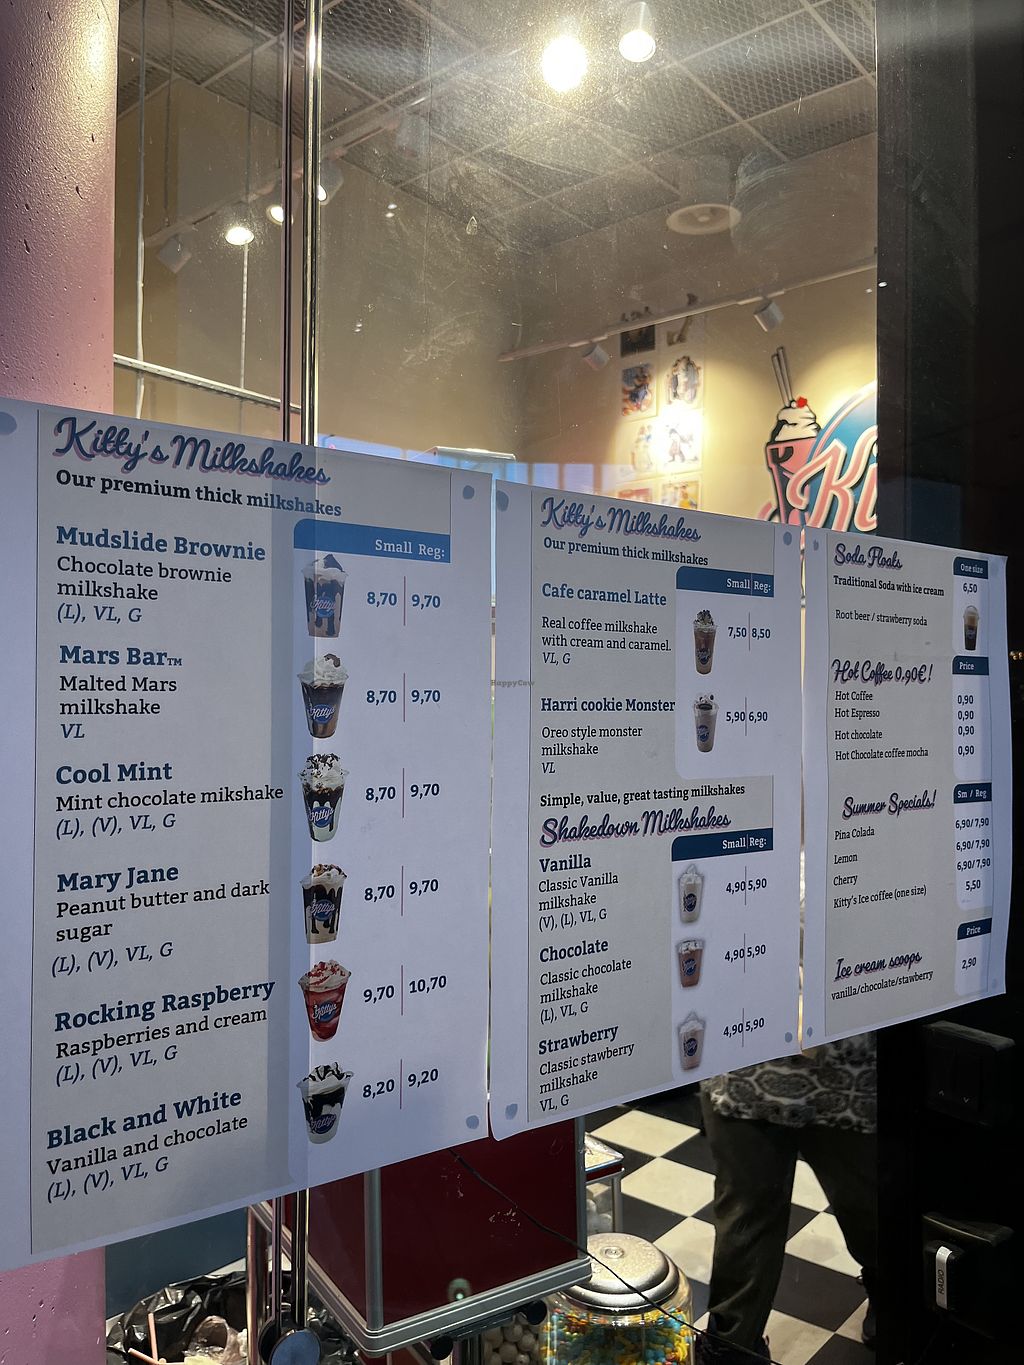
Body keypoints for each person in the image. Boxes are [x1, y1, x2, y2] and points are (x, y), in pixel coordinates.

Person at [696, 1034, 878, 1363]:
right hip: (746, 1057)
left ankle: (893, 1294)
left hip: (851, 1065)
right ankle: (732, 1345)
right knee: (745, 1218)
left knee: (868, 1206)